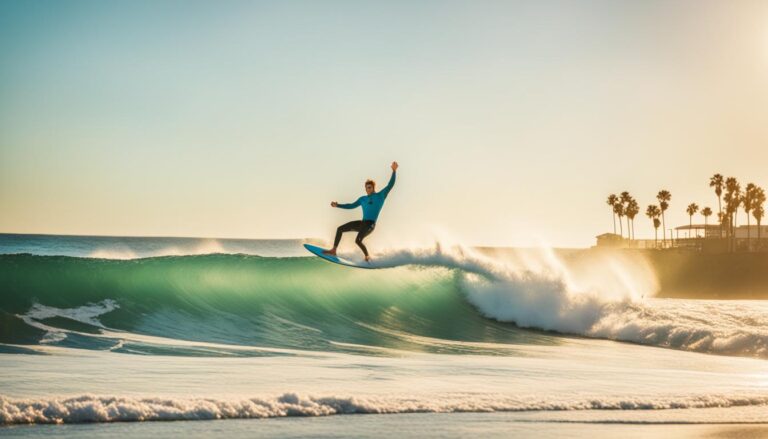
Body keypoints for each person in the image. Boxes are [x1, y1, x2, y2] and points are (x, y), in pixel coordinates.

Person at [324, 161, 398, 261]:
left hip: (370, 225)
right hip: (362, 223)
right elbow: (351, 205)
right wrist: (338, 205)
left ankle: (367, 256)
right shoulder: (362, 199)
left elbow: (390, 185)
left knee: (358, 241)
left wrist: (394, 171)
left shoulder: (380, 196)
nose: (367, 189)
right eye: (366, 188)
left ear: (373, 187)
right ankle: (333, 250)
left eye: (369, 187)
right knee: (339, 229)